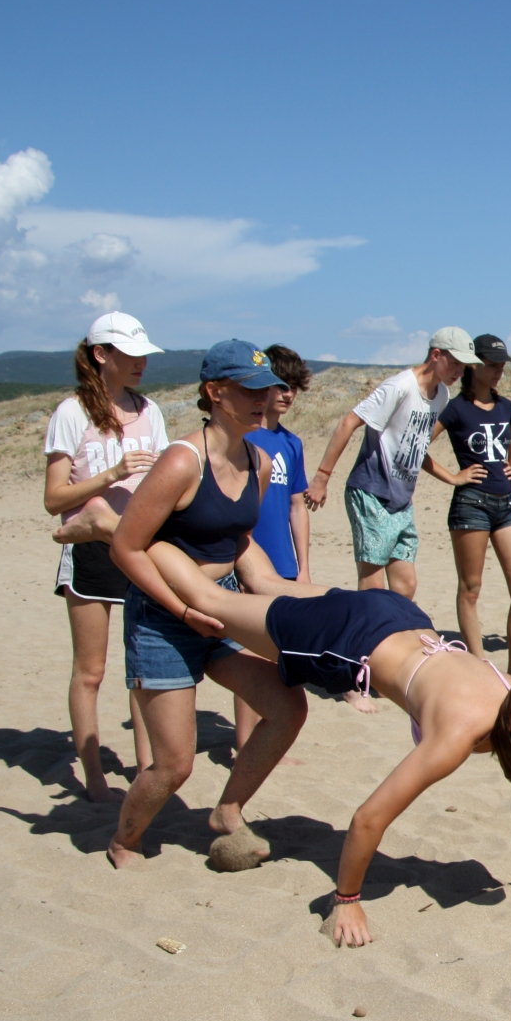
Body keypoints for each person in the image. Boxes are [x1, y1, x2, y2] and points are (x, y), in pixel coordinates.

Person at [135, 538, 511, 946]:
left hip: (397, 615)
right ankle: (132, 536)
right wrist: (347, 900)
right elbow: (369, 818)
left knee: (267, 584)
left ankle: (228, 532)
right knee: (210, 600)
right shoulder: (460, 733)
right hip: (344, 640)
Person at [106, 341, 311, 870]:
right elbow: (126, 547)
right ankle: (125, 839)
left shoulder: (259, 461)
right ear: (215, 392)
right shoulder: (182, 460)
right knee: (174, 766)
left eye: (267, 389)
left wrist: (314, 598)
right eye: (249, 389)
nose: (263, 399)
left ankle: (228, 809)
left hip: (221, 609)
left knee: (288, 706)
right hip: (163, 616)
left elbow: (240, 545)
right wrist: (181, 610)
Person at [42, 311, 167, 801]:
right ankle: (93, 778)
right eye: (130, 355)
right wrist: (112, 474)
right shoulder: (72, 413)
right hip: (89, 548)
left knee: (143, 669)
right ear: (100, 354)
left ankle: (146, 769)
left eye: (144, 355)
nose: (141, 364)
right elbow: (54, 498)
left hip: (138, 544)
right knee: (91, 671)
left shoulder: (149, 410)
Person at [305, 326, 477, 597]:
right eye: (455, 362)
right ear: (436, 355)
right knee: (373, 585)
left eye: (464, 366)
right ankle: (368, 627)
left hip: (401, 501)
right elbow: (348, 422)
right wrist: (321, 478)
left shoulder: (441, 395)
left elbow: (415, 448)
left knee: (405, 586)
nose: (460, 371)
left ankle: (393, 625)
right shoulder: (400, 386)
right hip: (371, 493)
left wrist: (453, 478)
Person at [422, 334, 511, 676]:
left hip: (507, 505)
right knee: (471, 589)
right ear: (474, 366)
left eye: (502, 364)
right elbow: (418, 446)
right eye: (493, 364)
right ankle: (478, 665)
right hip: (471, 504)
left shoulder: (506, 407)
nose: (500, 370)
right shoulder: (455, 408)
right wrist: (452, 477)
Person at [234, 344, 315, 750]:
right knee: (252, 654)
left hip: (281, 560)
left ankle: (262, 740)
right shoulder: (244, 437)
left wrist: (303, 567)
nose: (287, 394)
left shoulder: (291, 443)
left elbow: (297, 506)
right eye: (280, 385)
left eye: (294, 387)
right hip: (246, 558)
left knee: (277, 652)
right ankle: (246, 742)